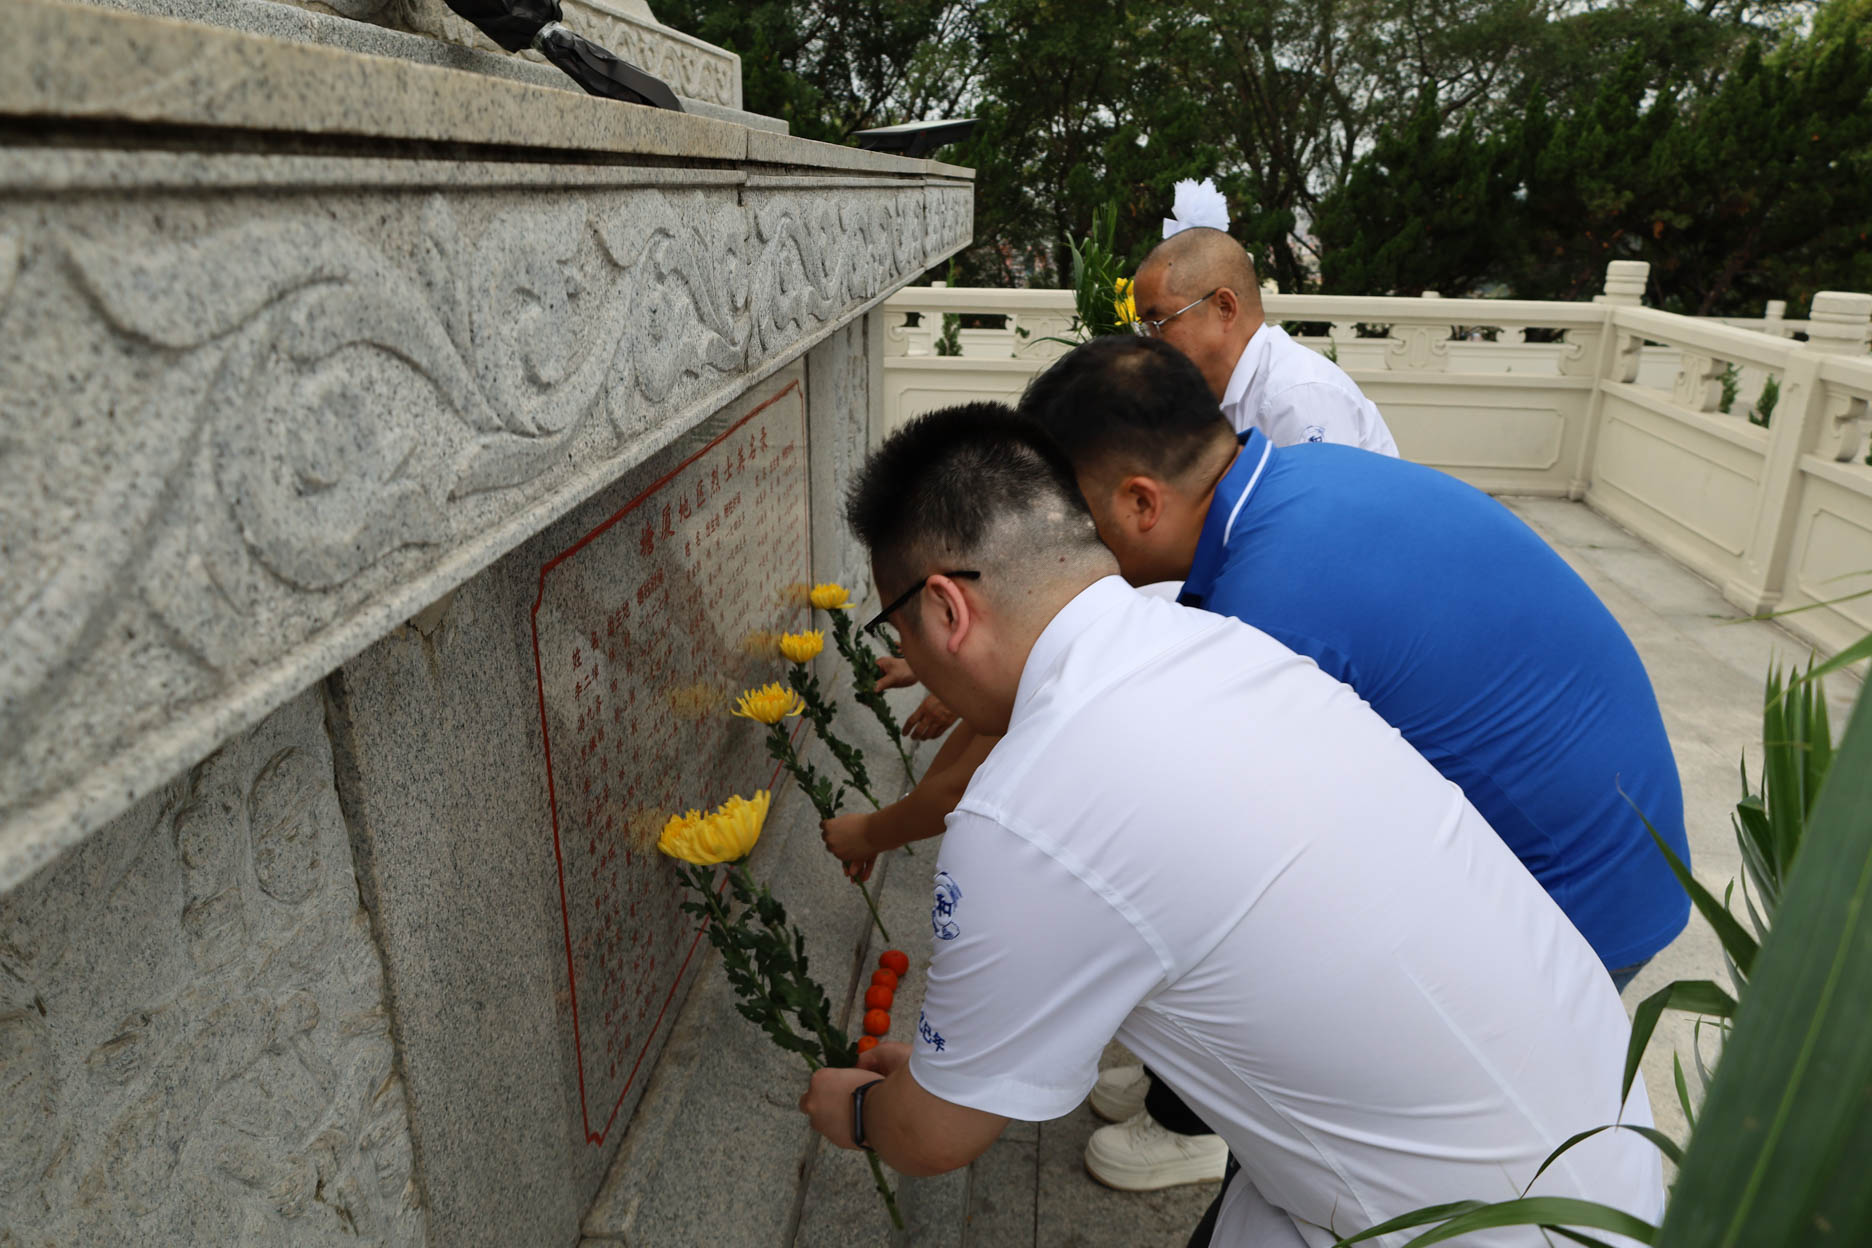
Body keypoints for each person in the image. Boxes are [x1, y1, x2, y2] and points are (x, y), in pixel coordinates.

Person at [796, 404, 1662, 1248]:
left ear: (946, 610)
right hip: (1604, 1155)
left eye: (898, 628)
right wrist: (957, 1072)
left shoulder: (1024, 811)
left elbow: (936, 1137)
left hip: (1469, 1223)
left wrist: (864, 1110)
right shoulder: (1224, 639)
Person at [1012, 335, 1690, 1188]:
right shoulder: (1293, 484)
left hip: (1576, 894)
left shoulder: (1272, 602)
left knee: (1368, 1133)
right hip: (1615, 841)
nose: (1069, 553)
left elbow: (1238, 869)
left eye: (1073, 526)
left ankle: (1198, 1129)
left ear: (1141, 502)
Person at [1131, 228, 1398, 455]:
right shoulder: (1211, 393)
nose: (1151, 343)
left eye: (1160, 323)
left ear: (1225, 308)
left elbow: (1322, 502)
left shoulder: (1298, 396)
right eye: (1144, 327)